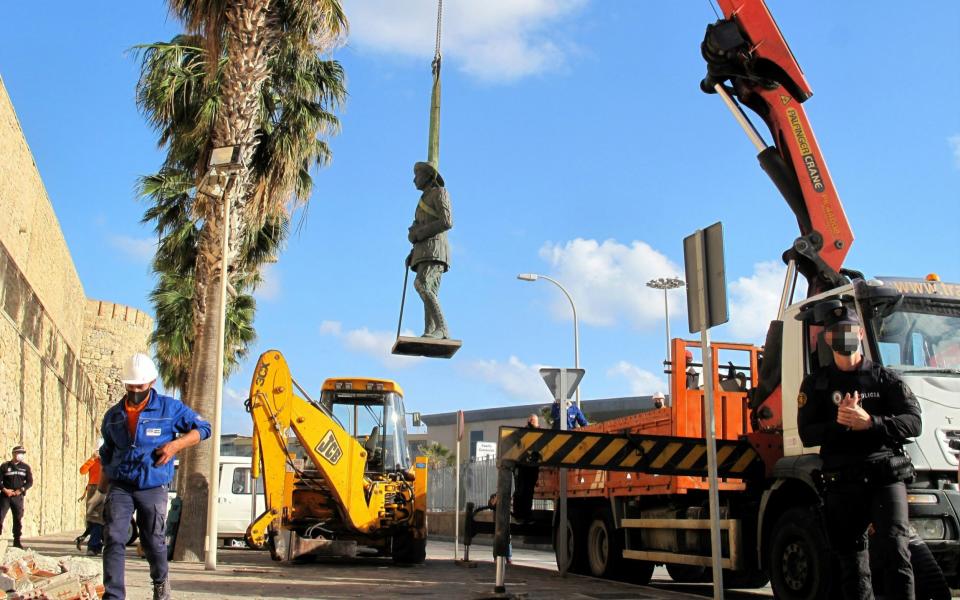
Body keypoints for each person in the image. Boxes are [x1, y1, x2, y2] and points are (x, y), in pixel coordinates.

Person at [797, 305, 920, 600]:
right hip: (841, 481)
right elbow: (807, 434)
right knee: (851, 563)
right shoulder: (816, 384)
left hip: (884, 477)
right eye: (837, 332)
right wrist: (841, 424)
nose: (844, 337)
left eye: (850, 331)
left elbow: (914, 422)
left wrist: (871, 422)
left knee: (895, 551)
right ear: (828, 338)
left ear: (861, 334)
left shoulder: (884, 378)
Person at [99, 353, 211, 600]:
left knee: (153, 540)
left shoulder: (170, 409)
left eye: (140, 385)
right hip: (121, 484)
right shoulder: (113, 416)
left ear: (152, 382)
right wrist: (100, 491)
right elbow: (106, 453)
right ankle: (113, 595)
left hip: (152, 485)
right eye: (131, 385)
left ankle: (160, 582)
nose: (135, 390)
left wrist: (175, 446)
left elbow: (204, 429)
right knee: (114, 537)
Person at [406, 161, 453, 339]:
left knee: (423, 285)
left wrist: (420, 232)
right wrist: (412, 250)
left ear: (427, 176)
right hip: (422, 251)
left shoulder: (440, 193)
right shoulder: (421, 202)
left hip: (435, 249)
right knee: (429, 290)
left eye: (417, 175)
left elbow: (446, 221)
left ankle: (442, 328)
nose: (414, 180)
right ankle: (430, 330)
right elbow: (416, 227)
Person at [0, 445, 32, 548]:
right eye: (19, 453)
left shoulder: (25, 467)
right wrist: (5, 490)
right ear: (13, 454)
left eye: (22, 453)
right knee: (0, 516)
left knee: (18, 518)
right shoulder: (5, 466)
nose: (21, 455)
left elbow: (29, 482)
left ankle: (17, 541)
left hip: (18, 497)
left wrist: (21, 490)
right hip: (5, 496)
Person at [512, 414, 540, 520]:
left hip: (531, 467)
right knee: (522, 490)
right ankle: (520, 515)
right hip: (523, 467)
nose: (534, 422)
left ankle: (525, 515)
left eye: (535, 421)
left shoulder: (539, 434)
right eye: (533, 421)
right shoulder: (523, 432)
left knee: (528, 491)